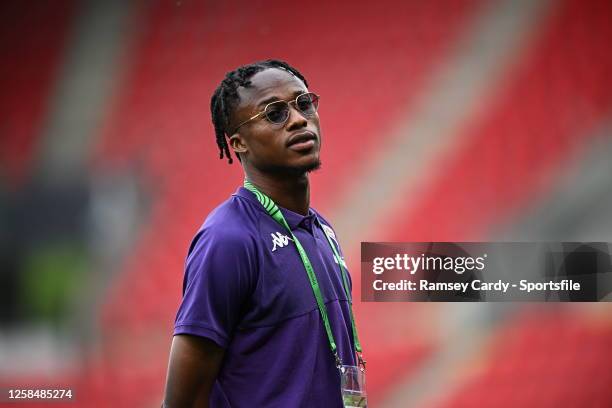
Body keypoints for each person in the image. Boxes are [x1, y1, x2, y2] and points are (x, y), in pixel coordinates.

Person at [162, 60, 364, 407]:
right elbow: (183, 399)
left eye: (304, 104)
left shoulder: (323, 229)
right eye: (274, 113)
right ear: (238, 142)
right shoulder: (228, 239)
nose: (299, 119)